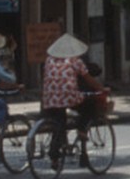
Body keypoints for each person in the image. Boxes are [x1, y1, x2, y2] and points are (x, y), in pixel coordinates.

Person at [41, 33, 105, 166]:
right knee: (89, 105)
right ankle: (82, 130)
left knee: (59, 124)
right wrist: (102, 88)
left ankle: (54, 158)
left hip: (49, 99)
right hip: (69, 96)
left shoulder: (48, 60)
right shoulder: (76, 61)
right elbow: (89, 79)